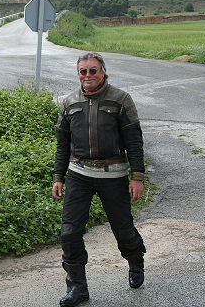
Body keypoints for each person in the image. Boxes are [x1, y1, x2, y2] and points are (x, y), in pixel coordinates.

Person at [52, 52, 147, 307]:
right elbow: (62, 145)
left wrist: (137, 177)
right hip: (79, 174)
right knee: (69, 232)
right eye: (83, 71)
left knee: (123, 230)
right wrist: (58, 176)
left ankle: (135, 261)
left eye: (93, 70)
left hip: (113, 175)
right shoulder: (69, 102)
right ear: (78, 74)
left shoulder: (121, 100)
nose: (88, 75)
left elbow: (134, 141)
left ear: (103, 72)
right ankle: (77, 287)